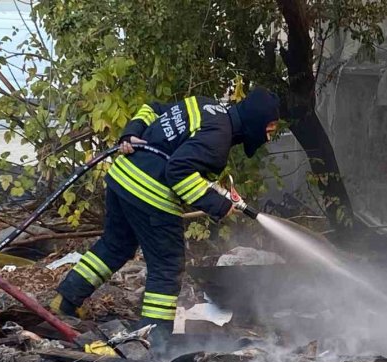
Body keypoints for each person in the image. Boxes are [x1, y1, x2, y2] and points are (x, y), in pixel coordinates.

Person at [52, 88, 279, 345]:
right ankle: (154, 336)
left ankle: (66, 299)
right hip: (151, 194)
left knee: (114, 246)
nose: (268, 139)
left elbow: (153, 109)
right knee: (167, 265)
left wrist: (131, 131)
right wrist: (217, 205)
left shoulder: (204, 105)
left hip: (122, 179)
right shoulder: (219, 138)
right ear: (256, 122)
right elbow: (178, 172)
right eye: (269, 130)